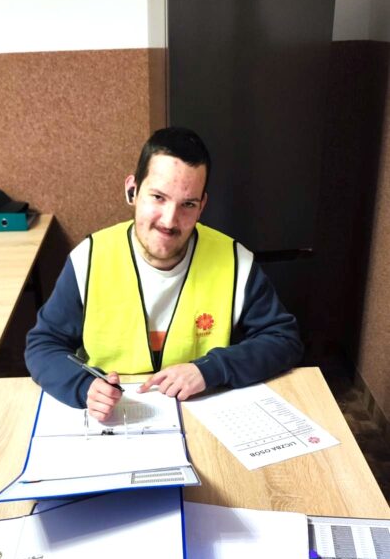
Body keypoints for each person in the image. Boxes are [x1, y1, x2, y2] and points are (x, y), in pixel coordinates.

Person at [25, 127, 303, 420]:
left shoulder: (236, 262)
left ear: (202, 206)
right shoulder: (89, 258)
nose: (170, 221)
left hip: (202, 414)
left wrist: (210, 369)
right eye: (158, 197)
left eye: (188, 204)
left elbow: (283, 339)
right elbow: (43, 346)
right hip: (113, 418)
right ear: (132, 190)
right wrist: (84, 386)